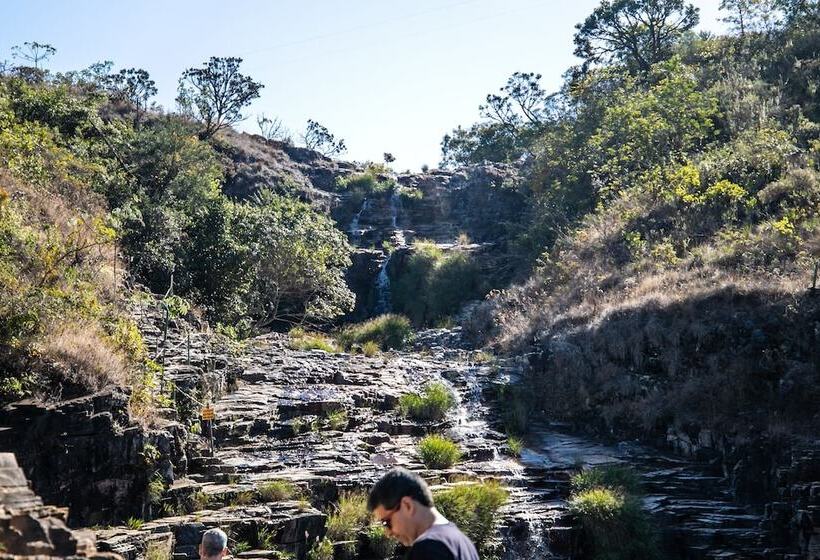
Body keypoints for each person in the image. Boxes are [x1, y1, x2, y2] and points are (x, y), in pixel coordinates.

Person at [367, 468, 479, 560]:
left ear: (407, 505)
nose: (388, 533)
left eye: (387, 522)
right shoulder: (463, 542)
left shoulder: (428, 548)